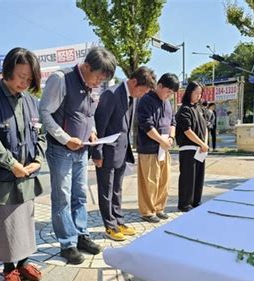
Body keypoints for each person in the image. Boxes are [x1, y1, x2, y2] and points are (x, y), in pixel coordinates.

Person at [0, 48, 45, 281]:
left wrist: (37, 159)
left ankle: (24, 261)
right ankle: (8, 267)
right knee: (5, 223)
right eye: (20, 76)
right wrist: (11, 164)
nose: (24, 83)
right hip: (1, 176)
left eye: (29, 79)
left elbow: (40, 134)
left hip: (26, 174)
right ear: (7, 71)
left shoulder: (31, 101)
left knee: (25, 219)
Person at [39, 47, 117, 264]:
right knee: (62, 197)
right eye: (97, 78)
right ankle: (67, 243)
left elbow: (88, 115)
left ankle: (81, 235)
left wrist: (91, 132)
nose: (98, 84)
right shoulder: (61, 79)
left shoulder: (93, 87)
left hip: (81, 150)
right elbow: (44, 112)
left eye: (103, 81)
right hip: (61, 150)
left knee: (80, 195)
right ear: (86, 66)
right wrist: (65, 138)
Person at [92, 67, 156, 240]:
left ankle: (119, 221)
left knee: (117, 189)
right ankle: (110, 226)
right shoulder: (111, 94)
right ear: (134, 82)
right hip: (106, 152)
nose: (142, 95)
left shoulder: (131, 97)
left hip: (121, 152)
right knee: (106, 190)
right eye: (142, 90)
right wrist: (97, 153)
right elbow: (100, 125)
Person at [136, 73, 179, 223]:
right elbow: (146, 124)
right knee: (149, 181)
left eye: (172, 93)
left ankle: (159, 207)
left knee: (164, 180)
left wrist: (171, 138)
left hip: (164, 147)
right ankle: (147, 211)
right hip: (149, 148)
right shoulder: (146, 100)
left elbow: (173, 121)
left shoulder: (167, 103)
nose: (169, 95)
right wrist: (161, 140)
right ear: (159, 86)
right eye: (168, 91)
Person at [175, 82, 209, 212]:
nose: (198, 96)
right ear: (189, 92)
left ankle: (196, 201)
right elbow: (187, 130)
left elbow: (205, 128)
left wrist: (204, 144)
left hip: (201, 149)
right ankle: (185, 203)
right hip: (188, 148)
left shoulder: (199, 109)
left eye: (200, 93)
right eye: (196, 93)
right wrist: (201, 143)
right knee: (188, 177)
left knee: (199, 176)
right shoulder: (184, 109)